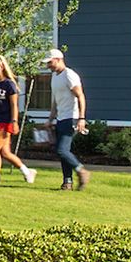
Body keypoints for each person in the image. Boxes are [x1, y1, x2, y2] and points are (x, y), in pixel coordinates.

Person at [0, 57, 37, 185]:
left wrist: (14, 121)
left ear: (2, 67)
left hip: (6, 120)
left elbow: (14, 105)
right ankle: (27, 172)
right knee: (5, 153)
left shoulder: (9, 84)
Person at [44, 50, 91, 191]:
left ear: (59, 59)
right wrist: (50, 119)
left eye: (50, 62)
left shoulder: (69, 75)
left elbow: (81, 96)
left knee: (61, 149)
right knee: (63, 151)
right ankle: (67, 182)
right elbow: (56, 101)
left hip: (72, 118)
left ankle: (81, 171)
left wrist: (81, 118)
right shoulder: (55, 76)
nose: (48, 66)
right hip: (61, 117)